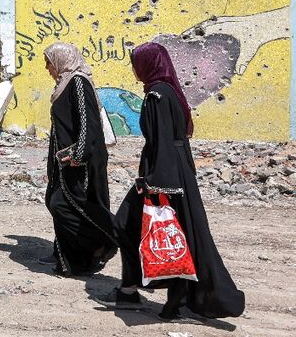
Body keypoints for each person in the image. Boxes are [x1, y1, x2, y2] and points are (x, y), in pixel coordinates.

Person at [96, 42, 245, 320]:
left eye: (136, 63)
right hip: (176, 170)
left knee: (129, 225)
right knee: (177, 232)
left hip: (163, 174)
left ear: (148, 64)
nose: (133, 69)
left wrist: (155, 183)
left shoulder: (156, 96)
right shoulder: (169, 91)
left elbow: (162, 140)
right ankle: (145, 292)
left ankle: (152, 292)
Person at [41, 42, 118, 275]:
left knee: (68, 205)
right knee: (55, 201)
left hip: (79, 161)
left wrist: (79, 154)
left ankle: (107, 240)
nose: (47, 67)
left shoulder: (77, 82)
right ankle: (74, 259)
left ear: (61, 60)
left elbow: (88, 121)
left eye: (49, 62)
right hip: (63, 161)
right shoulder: (65, 84)